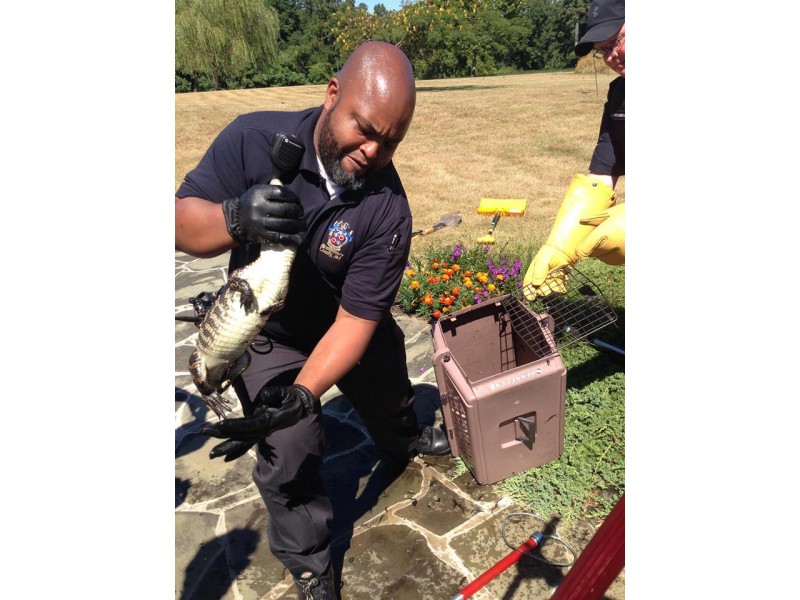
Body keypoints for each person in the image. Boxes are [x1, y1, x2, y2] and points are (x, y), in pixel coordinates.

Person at [175, 41, 449, 599]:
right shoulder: (252, 139)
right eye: (365, 129)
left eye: (390, 141)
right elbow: (180, 224)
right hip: (267, 330)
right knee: (291, 446)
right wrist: (233, 215)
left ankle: (403, 440)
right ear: (332, 95)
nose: (374, 151)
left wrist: (309, 389)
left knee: (390, 388)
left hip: (349, 325)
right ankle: (309, 561)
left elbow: (356, 320)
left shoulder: (388, 210)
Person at [523, 0, 626, 296]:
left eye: (616, 42)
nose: (611, 56)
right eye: (603, 49)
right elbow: (601, 176)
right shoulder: (620, 93)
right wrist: (560, 248)